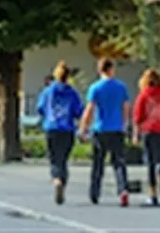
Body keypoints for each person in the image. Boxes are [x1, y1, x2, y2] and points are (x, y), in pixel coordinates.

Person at [79, 58, 131, 207]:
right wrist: (125, 124)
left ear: (100, 70)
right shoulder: (121, 87)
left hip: (100, 129)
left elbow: (90, 109)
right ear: (111, 69)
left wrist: (83, 128)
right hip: (116, 129)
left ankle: (95, 193)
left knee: (98, 163)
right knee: (119, 162)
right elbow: (126, 107)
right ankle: (123, 189)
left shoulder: (95, 88)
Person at [36, 61, 84, 205]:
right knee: (64, 159)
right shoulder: (72, 92)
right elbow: (78, 111)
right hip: (67, 129)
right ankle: (62, 181)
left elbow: (40, 108)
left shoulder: (48, 91)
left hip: (51, 128)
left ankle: (56, 179)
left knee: (54, 158)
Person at [132, 68, 160, 205]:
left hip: (149, 131)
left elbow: (138, 117)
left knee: (150, 162)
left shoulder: (143, 96)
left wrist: (136, 134)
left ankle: (153, 192)